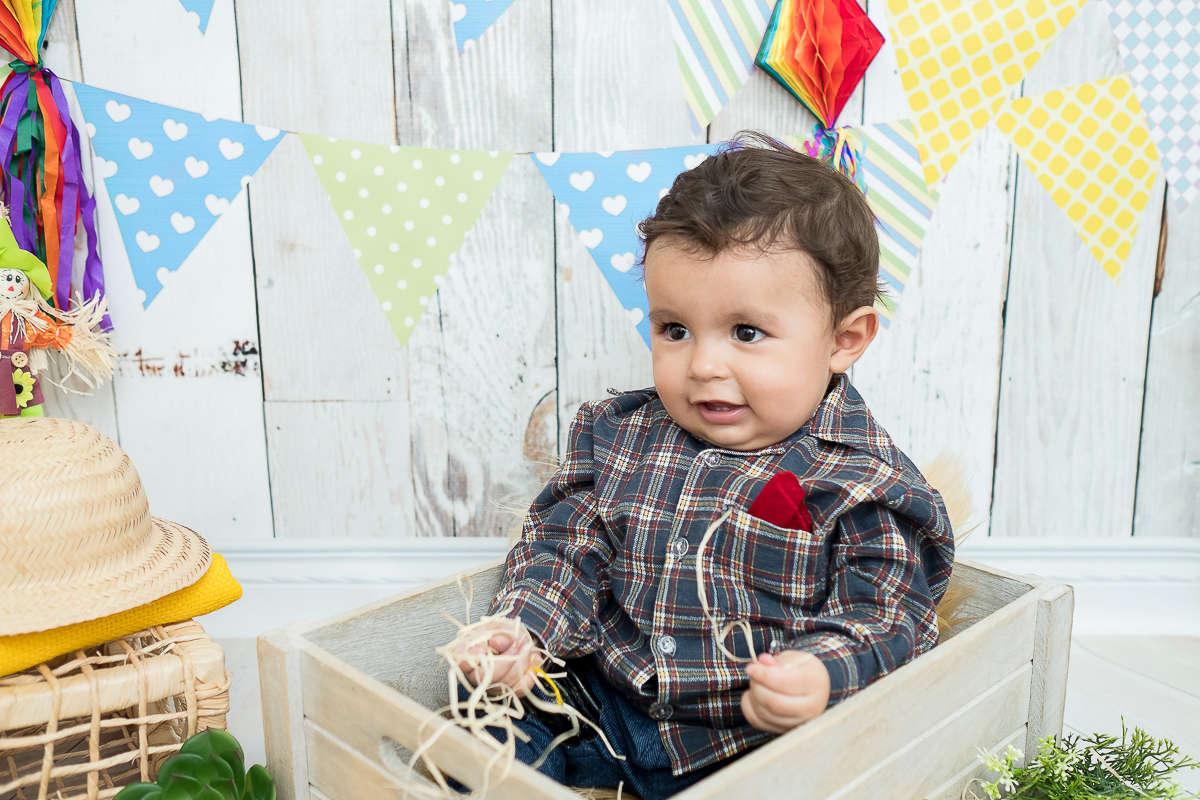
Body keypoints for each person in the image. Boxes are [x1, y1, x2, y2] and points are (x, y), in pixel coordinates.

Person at [446, 132, 955, 799]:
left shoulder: (861, 481)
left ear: (843, 339)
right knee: (484, 700)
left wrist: (819, 673)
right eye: (675, 329)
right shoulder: (620, 435)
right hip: (605, 705)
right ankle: (509, 781)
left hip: (742, 739)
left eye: (746, 332)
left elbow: (890, 610)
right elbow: (567, 547)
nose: (703, 365)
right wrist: (523, 631)